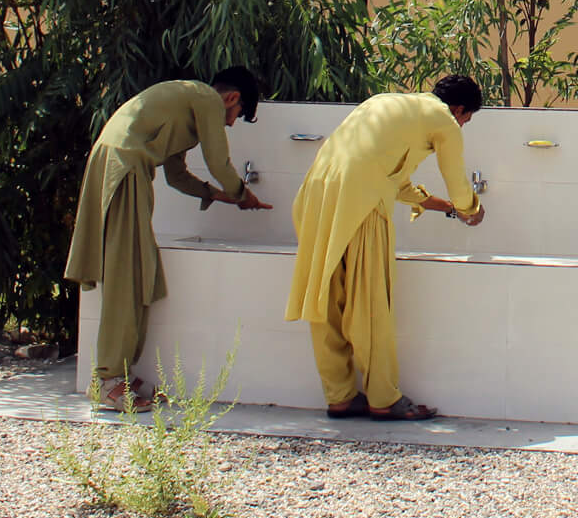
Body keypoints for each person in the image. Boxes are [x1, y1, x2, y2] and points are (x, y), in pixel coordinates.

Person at [64, 67, 272, 410]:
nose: (230, 124)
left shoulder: (184, 105)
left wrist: (220, 196)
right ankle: (108, 381)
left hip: (121, 166)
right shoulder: (206, 98)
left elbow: (176, 176)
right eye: (234, 116)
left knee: (136, 274)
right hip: (124, 169)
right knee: (125, 279)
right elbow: (219, 162)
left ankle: (119, 375)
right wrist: (242, 194)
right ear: (231, 98)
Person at [284, 74, 486, 421]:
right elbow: (456, 180)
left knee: (326, 303)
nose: (463, 126)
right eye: (466, 119)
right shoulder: (444, 121)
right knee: (370, 305)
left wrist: (442, 207)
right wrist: (470, 209)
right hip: (361, 204)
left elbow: (394, 179)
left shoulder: (384, 104)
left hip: (315, 196)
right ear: (458, 109)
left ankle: (341, 396)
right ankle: (382, 397)